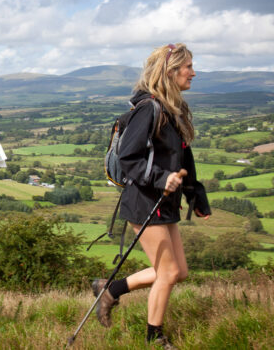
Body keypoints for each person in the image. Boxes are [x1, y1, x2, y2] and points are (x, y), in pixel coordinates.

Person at [91, 43, 211, 349]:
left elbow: (184, 157)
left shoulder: (173, 109)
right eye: (188, 68)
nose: (193, 73)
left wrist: (195, 195)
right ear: (171, 72)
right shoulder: (149, 109)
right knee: (167, 273)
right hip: (145, 201)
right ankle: (154, 338)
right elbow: (129, 158)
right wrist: (161, 178)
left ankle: (111, 289)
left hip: (165, 200)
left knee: (178, 271)